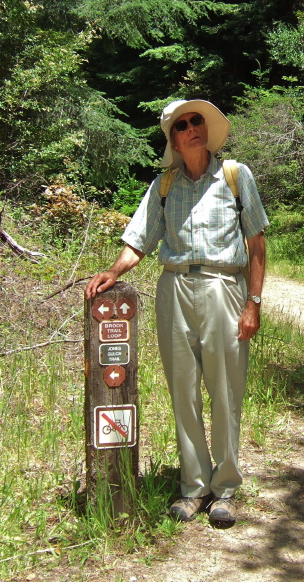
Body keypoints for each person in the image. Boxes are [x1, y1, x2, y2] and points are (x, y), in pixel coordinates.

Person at [85, 99, 268, 526]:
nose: (191, 128)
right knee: (182, 393)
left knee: (225, 394)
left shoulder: (235, 177)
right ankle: (194, 487)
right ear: (173, 138)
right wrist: (113, 271)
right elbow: (139, 240)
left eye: (197, 121)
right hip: (174, 289)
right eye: (182, 124)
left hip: (224, 286)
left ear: (207, 129)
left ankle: (225, 489)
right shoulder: (163, 186)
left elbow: (256, 243)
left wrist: (253, 304)